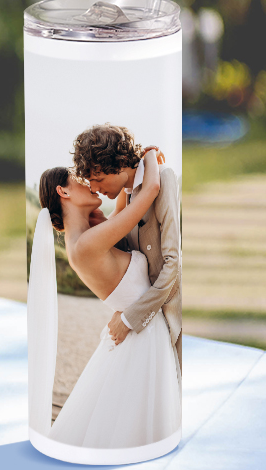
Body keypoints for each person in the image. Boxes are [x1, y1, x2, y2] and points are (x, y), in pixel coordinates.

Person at [35, 149, 180, 450]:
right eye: (80, 181)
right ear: (63, 191)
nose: (90, 184)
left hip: (142, 330)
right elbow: (150, 190)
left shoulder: (86, 237)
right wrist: (150, 155)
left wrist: (129, 167)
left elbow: (123, 203)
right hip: (142, 335)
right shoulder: (86, 244)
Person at [73, 124, 182, 369]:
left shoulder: (164, 179)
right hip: (149, 323)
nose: (95, 190)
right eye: (91, 183)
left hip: (172, 321)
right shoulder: (128, 195)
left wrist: (130, 318)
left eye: (99, 180)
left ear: (121, 164)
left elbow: (173, 264)